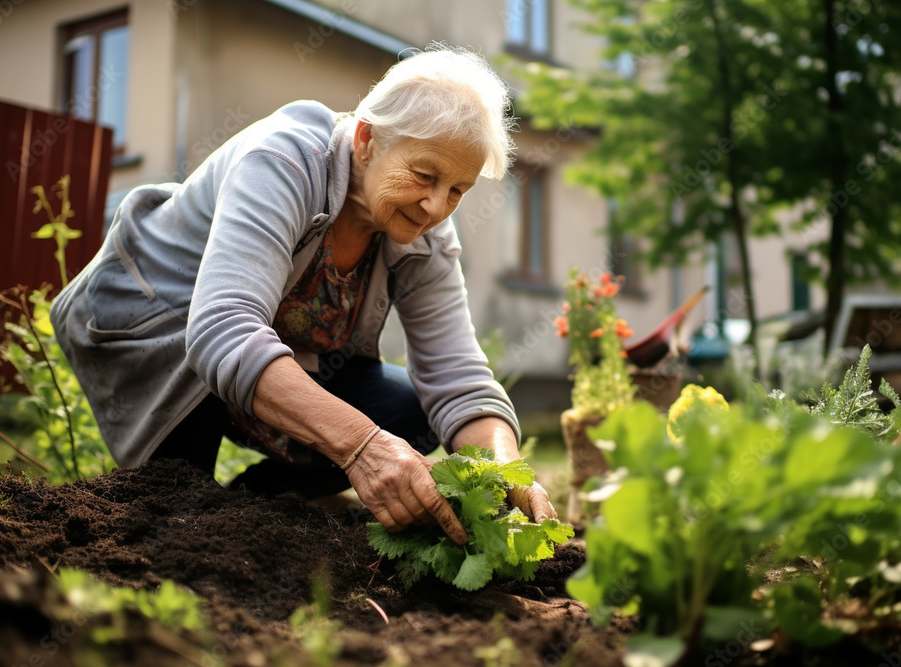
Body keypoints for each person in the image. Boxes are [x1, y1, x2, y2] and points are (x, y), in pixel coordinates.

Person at [50, 45, 555, 546]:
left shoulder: (423, 232)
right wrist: (362, 448)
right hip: (157, 334)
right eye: (425, 176)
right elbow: (223, 330)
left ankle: (258, 506)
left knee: (411, 411)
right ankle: (200, 515)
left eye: (457, 191)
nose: (434, 206)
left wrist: (508, 470)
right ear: (366, 139)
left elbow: (458, 375)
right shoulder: (283, 162)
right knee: (175, 514)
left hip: (267, 353)